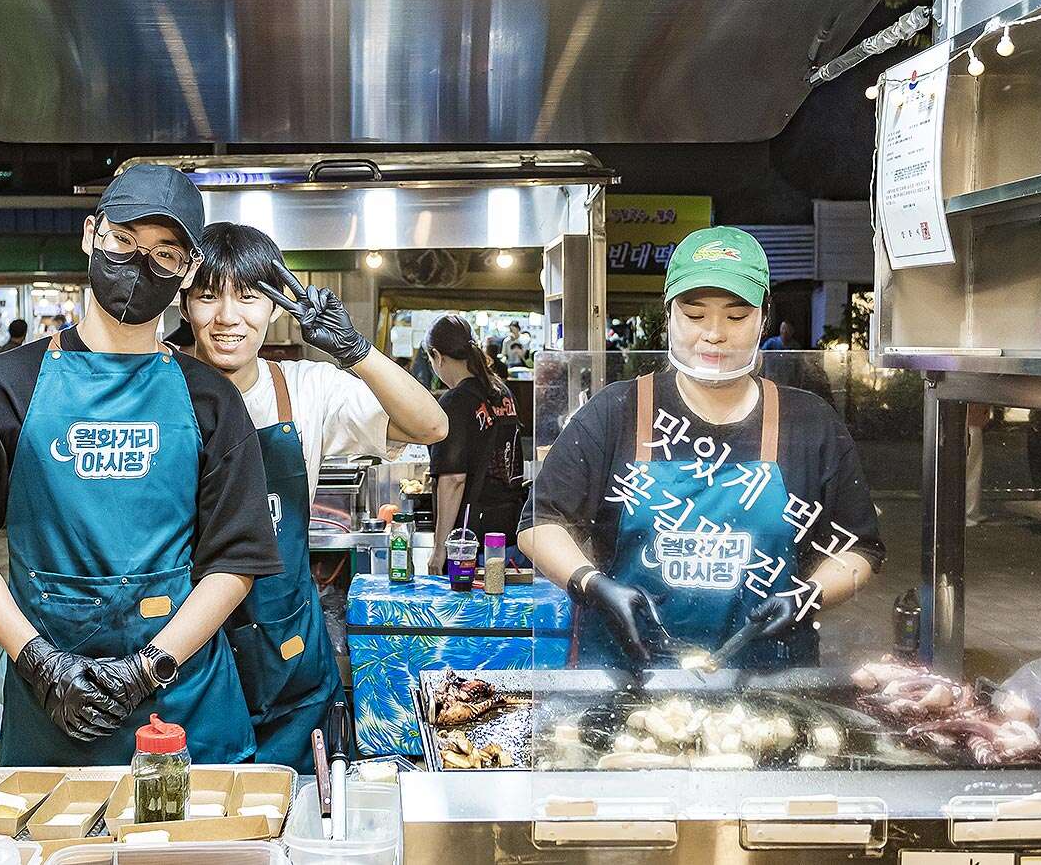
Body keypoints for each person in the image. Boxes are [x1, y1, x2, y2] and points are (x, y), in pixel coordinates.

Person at [0, 165, 283, 767]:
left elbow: (236, 562)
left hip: (183, 699)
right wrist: (40, 662)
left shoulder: (213, 401)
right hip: (51, 702)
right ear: (92, 234)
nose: (139, 265)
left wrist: (150, 667)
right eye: (123, 240)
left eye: (165, 254)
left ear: (186, 271)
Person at [518, 226, 884, 670]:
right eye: (694, 315)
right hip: (627, 682)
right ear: (668, 315)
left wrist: (810, 595)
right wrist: (591, 583)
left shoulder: (810, 423)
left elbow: (859, 548)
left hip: (769, 685)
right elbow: (540, 523)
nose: (714, 334)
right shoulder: (616, 411)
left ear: (763, 319)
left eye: (736, 317)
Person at [181, 222, 447, 770]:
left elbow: (431, 426)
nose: (228, 317)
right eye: (208, 295)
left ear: (276, 307)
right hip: (184, 646)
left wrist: (355, 351)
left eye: (249, 296)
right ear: (183, 305)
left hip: (286, 648)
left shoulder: (307, 387)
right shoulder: (157, 383)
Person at [425, 315, 528, 567]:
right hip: (511, 532)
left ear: (438, 356)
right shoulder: (501, 392)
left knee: (470, 608)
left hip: (470, 543)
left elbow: (453, 480)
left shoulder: (455, 402)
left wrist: (439, 550)